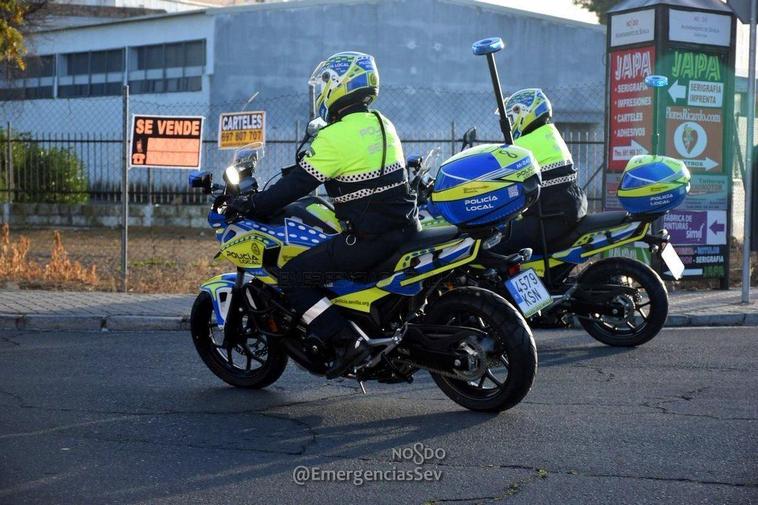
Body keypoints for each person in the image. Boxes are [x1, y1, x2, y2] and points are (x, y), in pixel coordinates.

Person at [234, 51, 420, 379]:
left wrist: (253, 204)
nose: (322, 88)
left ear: (338, 85)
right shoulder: (382, 123)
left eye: (325, 82)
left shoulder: (335, 135)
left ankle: (347, 340)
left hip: (369, 239)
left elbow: (298, 185)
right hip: (406, 228)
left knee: (293, 277)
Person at [493, 88, 588, 254]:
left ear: (522, 112)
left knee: (491, 244)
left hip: (549, 218)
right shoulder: (549, 134)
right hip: (569, 208)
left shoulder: (523, 145)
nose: (509, 122)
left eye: (511, 116)